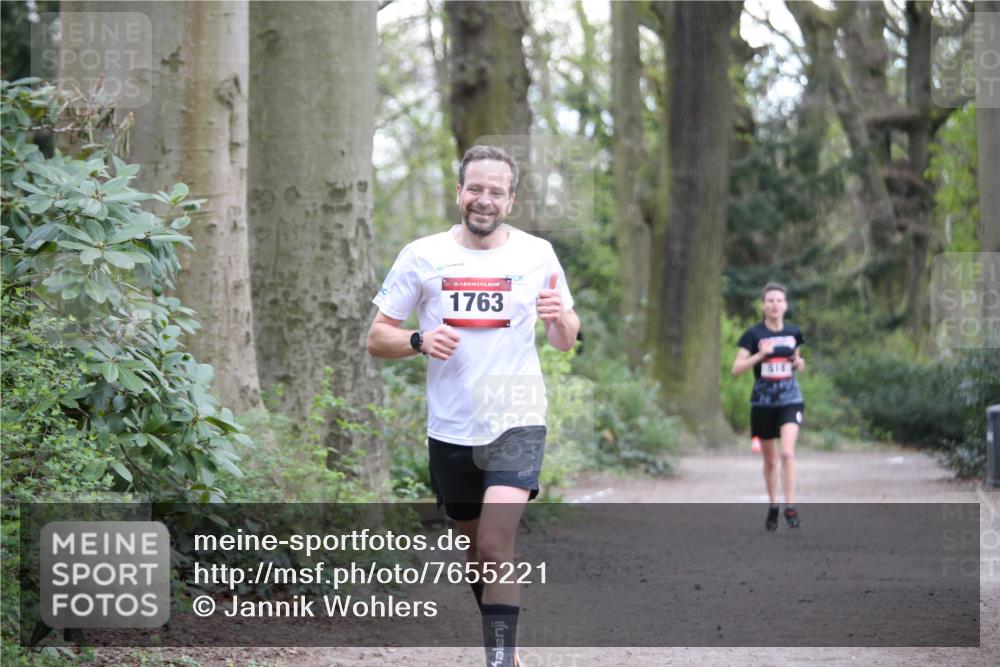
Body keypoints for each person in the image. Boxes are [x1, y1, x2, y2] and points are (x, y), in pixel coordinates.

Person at [367, 145, 580, 667]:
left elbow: (564, 339)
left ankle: (501, 661)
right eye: (476, 189)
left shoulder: (537, 254)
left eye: (496, 191)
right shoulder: (422, 255)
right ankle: (500, 644)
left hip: (516, 416)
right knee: (474, 553)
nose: (485, 200)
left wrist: (558, 318)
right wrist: (419, 341)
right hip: (452, 428)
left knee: (493, 544)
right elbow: (376, 337)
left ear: (511, 200)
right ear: (459, 192)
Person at [730, 282, 806, 531]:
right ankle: (774, 506)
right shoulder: (753, 335)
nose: (775, 304)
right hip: (763, 402)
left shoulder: (794, 333)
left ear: (785, 305)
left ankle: (791, 506)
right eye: (770, 300)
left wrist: (798, 363)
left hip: (790, 399)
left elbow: (797, 361)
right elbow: (736, 369)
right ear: (763, 305)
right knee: (771, 460)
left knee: (787, 453)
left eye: (779, 300)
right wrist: (760, 355)